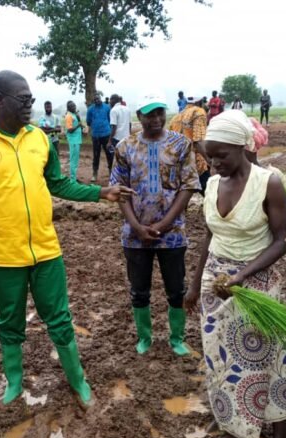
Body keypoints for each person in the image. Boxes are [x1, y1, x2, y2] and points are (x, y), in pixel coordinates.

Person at [0, 70, 134, 408]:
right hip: (3, 257)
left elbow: (58, 183)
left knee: (60, 319)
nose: (29, 106)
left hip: (46, 251)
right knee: (9, 322)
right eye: (23, 100)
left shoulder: (40, 138)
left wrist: (101, 192)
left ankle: (77, 379)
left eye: (31, 99)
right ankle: (14, 383)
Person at [184, 110, 286, 438]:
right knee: (221, 360)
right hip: (216, 286)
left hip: (256, 285)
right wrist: (195, 282)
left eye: (221, 155)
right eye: (209, 155)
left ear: (243, 147)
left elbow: (283, 240)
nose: (214, 163)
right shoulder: (213, 184)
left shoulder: (270, 183)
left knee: (270, 361)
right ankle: (234, 422)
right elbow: (210, 235)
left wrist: (242, 277)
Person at [110, 94, 200, 356]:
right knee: (139, 290)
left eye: (160, 112)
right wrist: (137, 227)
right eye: (149, 114)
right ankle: (145, 338)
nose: (156, 119)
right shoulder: (125, 147)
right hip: (135, 235)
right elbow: (120, 191)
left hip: (172, 234)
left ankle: (177, 338)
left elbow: (188, 186)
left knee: (176, 288)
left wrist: (164, 223)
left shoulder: (181, 144)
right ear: (139, 116)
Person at [168, 96, 210, 190]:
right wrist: (210, 160)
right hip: (195, 162)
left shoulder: (176, 117)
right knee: (210, 192)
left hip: (179, 163)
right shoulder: (199, 112)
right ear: (200, 102)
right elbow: (198, 141)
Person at [86, 93, 113, 183]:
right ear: (93, 101)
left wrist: (106, 127)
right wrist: (95, 125)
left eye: (98, 99)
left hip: (106, 134)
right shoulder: (90, 109)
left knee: (109, 154)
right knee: (96, 155)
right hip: (95, 136)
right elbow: (88, 121)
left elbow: (110, 119)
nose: (97, 100)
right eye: (95, 99)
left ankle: (111, 172)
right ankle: (94, 173)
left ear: (100, 99)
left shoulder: (107, 107)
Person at [64, 101, 84, 182]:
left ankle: (74, 177)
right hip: (73, 141)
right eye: (72, 106)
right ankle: (72, 179)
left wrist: (78, 119)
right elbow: (69, 130)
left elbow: (79, 124)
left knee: (75, 160)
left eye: (75, 106)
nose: (74, 107)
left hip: (76, 140)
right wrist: (78, 126)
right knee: (73, 160)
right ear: (68, 108)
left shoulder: (73, 115)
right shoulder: (69, 116)